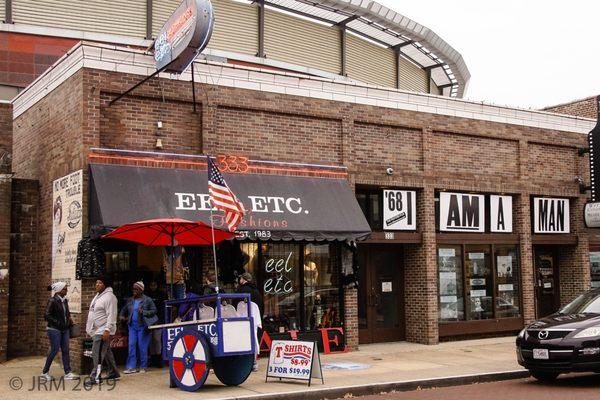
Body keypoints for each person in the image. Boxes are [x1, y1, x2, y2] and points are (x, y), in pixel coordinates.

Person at [41, 281, 78, 381]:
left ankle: (68, 373)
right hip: (54, 329)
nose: (66, 290)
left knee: (66, 350)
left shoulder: (65, 301)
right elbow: (47, 315)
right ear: (58, 291)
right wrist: (58, 323)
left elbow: (67, 313)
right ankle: (44, 372)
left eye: (66, 288)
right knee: (54, 350)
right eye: (64, 289)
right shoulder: (52, 301)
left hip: (65, 329)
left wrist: (70, 321)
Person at [86, 275, 120, 383]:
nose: (97, 284)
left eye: (99, 283)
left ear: (105, 285)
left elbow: (112, 315)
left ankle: (95, 376)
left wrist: (107, 330)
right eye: (96, 282)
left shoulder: (110, 297)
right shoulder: (98, 296)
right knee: (106, 352)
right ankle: (113, 372)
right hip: (97, 330)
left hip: (103, 330)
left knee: (97, 353)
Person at [120, 281, 158, 374]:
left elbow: (154, 310)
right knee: (132, 346)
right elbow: (124, 309)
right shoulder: (130, 300)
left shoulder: (147, 300)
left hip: (143, 326)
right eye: (133, 289)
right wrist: (121, 316)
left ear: (141, 290)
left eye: (136, 289)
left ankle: (143, 366)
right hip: (132, 326)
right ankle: (131, 367)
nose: (134, 291)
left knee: (142, 347)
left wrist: (144, 312)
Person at [236, 272, 263, 372]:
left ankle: (242, 361)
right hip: (254, 321)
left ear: (243, 280)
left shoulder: (240, 290)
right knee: (254, 339)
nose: (239, 280)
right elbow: (260, 307)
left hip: (241, 322)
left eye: (240, 279)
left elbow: (235, 306)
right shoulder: (256, 291)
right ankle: (254, 363)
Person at [146, 279, 166, 368]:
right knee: (150, 340)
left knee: (157, 339)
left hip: (158, 320)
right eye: (151, 285)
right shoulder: (146, 296)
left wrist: (161, 319)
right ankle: (152, 358)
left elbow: (163, 308)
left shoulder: (162, 295)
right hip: (149, 321)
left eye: (154, 284)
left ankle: (158, 358)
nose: (153, 286)